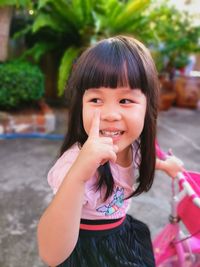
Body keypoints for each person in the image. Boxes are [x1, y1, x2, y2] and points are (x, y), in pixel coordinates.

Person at [37, 35, 183, 267]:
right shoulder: (73, 164)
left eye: (125, 100)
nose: (109, 114)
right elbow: (51, 253)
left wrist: (167, 166)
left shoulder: (132, 146)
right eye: (96, 99)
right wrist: (79, 174)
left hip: (121, 233)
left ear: (148, 108)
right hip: (86, 250)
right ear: (80, 105)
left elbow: (141, 159)